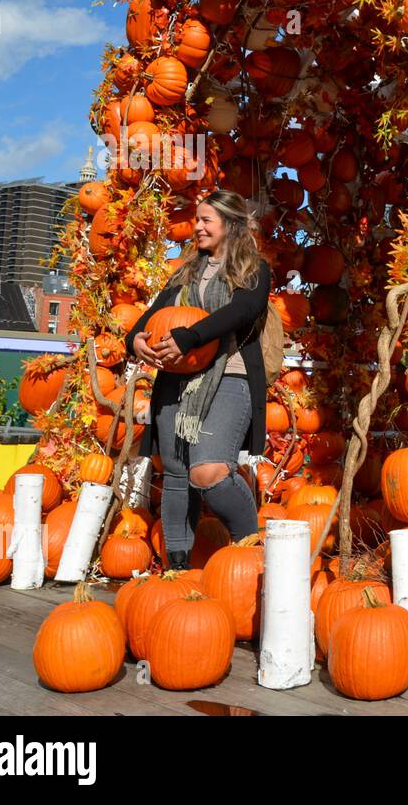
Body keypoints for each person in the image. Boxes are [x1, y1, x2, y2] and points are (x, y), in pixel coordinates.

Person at [125, 190, 270, 570]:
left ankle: (250, 550)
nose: (198, 227)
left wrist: (190, 337)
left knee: (208, 471)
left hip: (229, 376)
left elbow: (243, 310)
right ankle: (178, 569)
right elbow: (155, 313)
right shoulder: (186, 270)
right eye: (197, 219)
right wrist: (135, 340)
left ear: (231, 224)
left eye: (207, 220)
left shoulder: (253, 269)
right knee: (174, 473)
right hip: (176, 378)